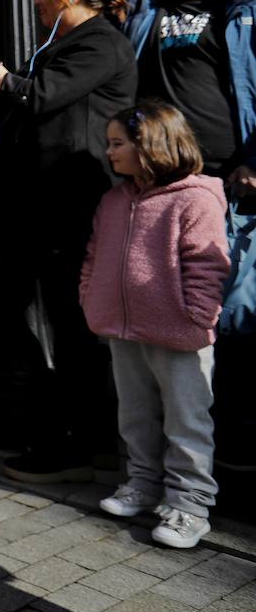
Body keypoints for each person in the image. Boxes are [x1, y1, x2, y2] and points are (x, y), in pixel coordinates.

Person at [17, 0, 256, 470]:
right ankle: (148, 454)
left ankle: (227, 445)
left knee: (230, 310)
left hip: (229, 182)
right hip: (154, 182)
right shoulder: (144, 0)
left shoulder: (243, 8)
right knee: (150, 310)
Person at [0, 0, 138, 482]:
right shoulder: (61, 44)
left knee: (61, 326)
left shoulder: (101, 42)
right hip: (38, 209)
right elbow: (7, 106)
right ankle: (69, 438)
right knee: (45, 323)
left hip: (69, 206)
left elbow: (35, 99)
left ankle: (71, 445)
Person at [82, 101, 228, 548]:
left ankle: (190, 506)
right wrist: (91, 299)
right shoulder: (113, 200)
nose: (109, 153)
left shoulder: (195, 198)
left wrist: (196, 316)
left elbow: (207, 265)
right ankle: (143, 485)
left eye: (117, 143)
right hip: (122, 330)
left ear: (152, 144)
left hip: (179, 333)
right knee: (136, 415)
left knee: (187, 422)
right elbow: (93, 255)